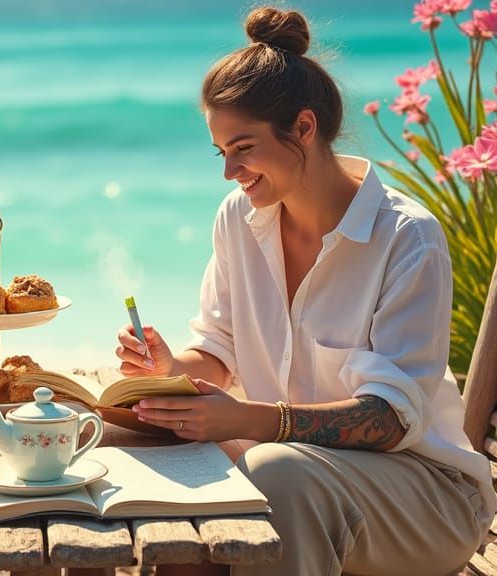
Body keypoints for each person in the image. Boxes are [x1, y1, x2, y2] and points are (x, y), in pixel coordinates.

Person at [115, 7, 496, 575]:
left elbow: (390, 420)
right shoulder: (238, 220)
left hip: (424, 497)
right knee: (143, 470)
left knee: (275, 470)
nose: (230, 172)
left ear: (304, 128)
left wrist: (246, 419)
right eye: (222, 152)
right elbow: (219, 349)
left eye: (243, 148)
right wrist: (173, 368)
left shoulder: (406, 238)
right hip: (292, 469)